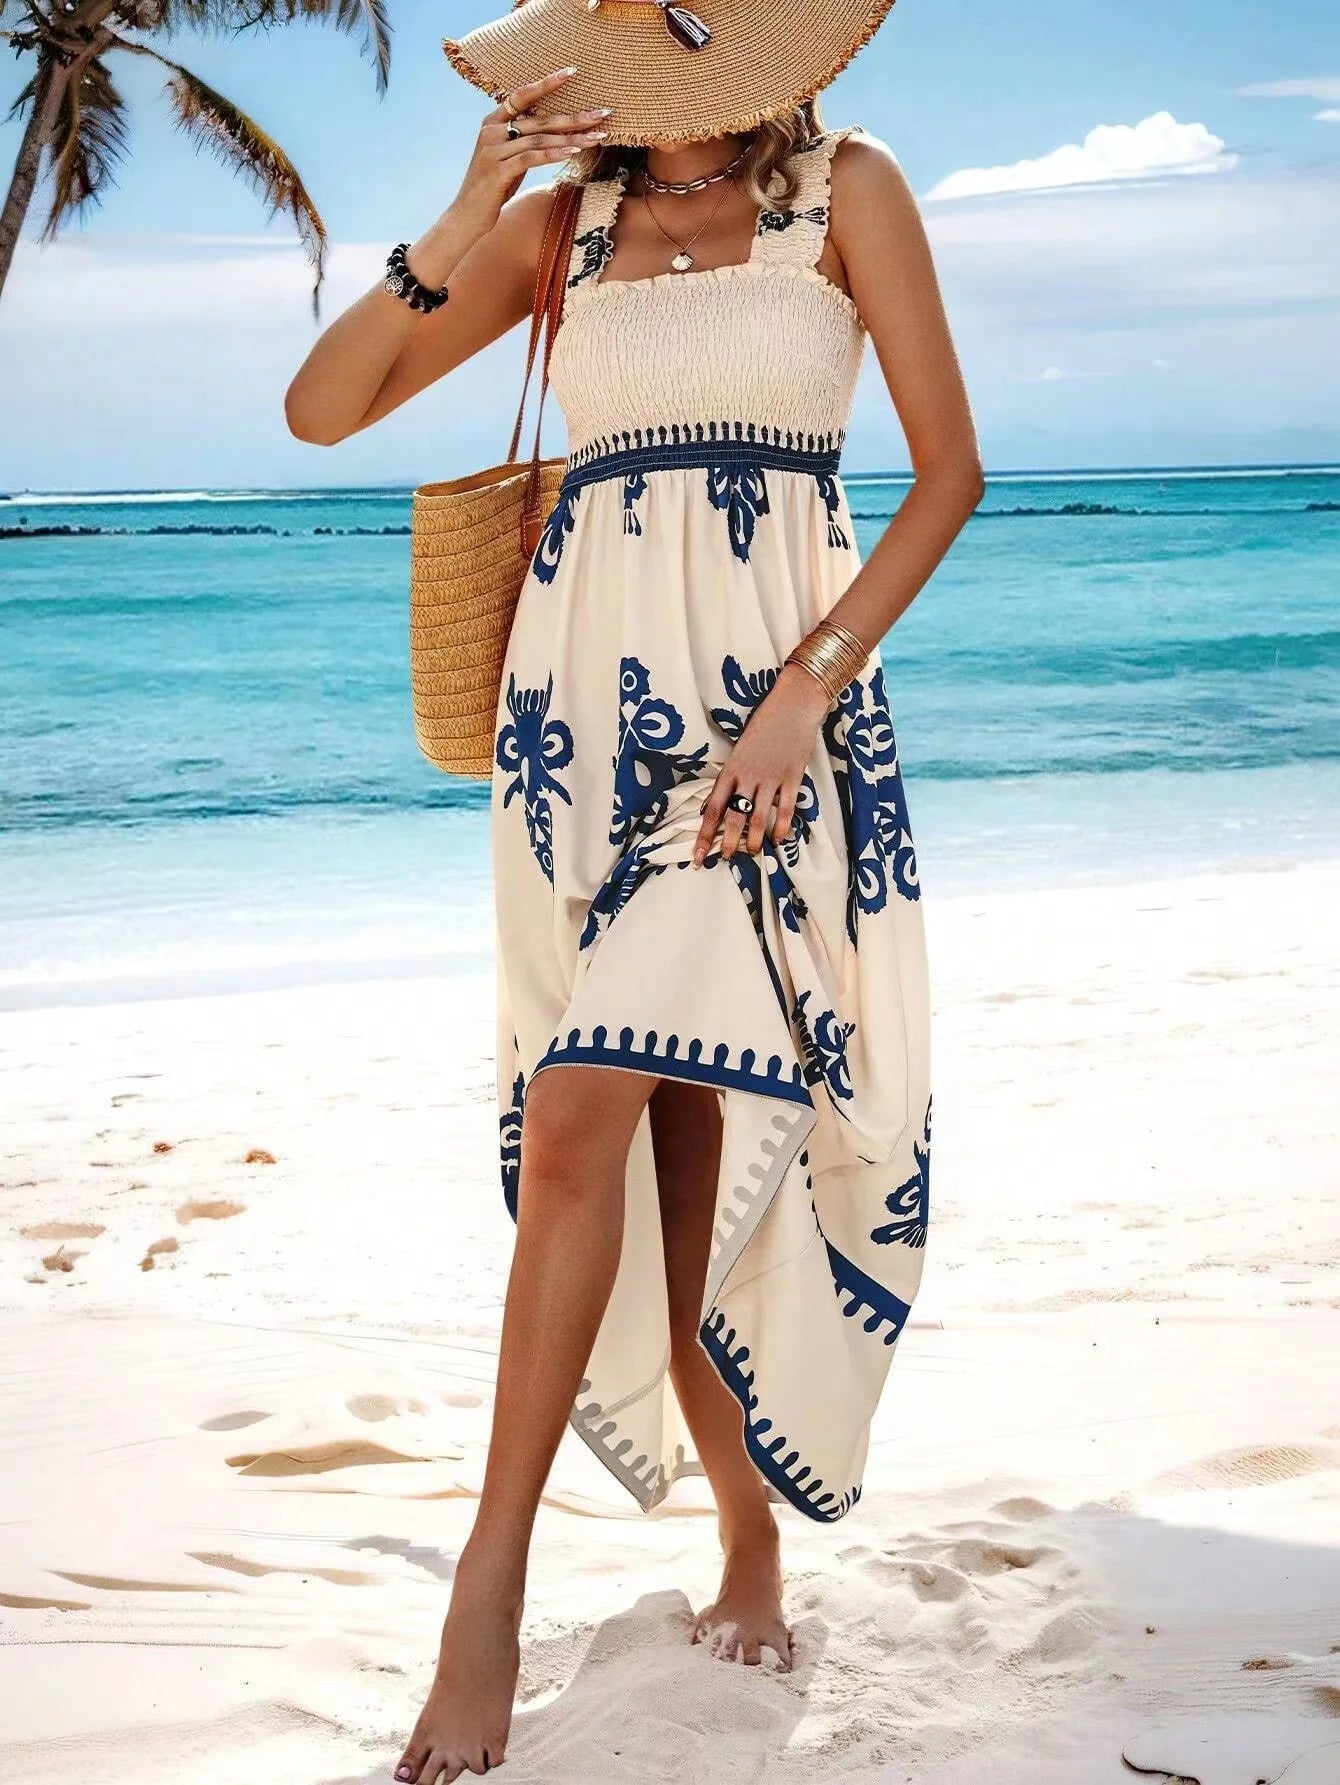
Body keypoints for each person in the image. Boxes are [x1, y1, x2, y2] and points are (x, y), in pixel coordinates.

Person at [285, 2, 982, 1778]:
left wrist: (808, 691)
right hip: (580, 740)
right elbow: (322, 407)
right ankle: (732, 1535)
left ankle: (490, 1586)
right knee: (658, 1159)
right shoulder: (559, 226)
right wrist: (463, 216)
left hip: (773, 741)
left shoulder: (849, 192)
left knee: (591, 1110)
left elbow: (948, 476)